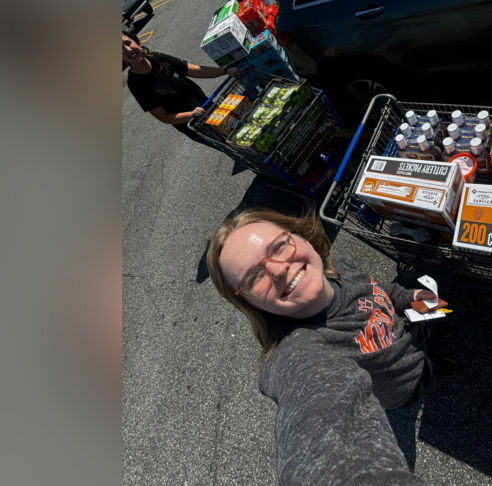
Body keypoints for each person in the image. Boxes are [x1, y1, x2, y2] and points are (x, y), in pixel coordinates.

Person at [206, 209, 457, 484]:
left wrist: (407, 296)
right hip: (408, 387)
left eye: (279, 246)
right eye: (254, 278)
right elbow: (316, 410)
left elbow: (378, 289)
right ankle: (436, 367)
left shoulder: (336, 267)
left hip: (414, 329)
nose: (278, 270)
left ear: (300, 237)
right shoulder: (301, 352)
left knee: (439, 327)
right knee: (429, 375)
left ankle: (434, 351)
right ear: (249, 302)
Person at [122, 30, 238, 144]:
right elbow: (164, 117)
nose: (128, 50)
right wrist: (192, 114)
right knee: (239, 151)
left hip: (213, 112)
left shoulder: (157, 58)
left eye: (128, 43)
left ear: (136, 41)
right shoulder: (135, 84)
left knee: (241, 137)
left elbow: (195, 70)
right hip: (197, 127)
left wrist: (226, 70)